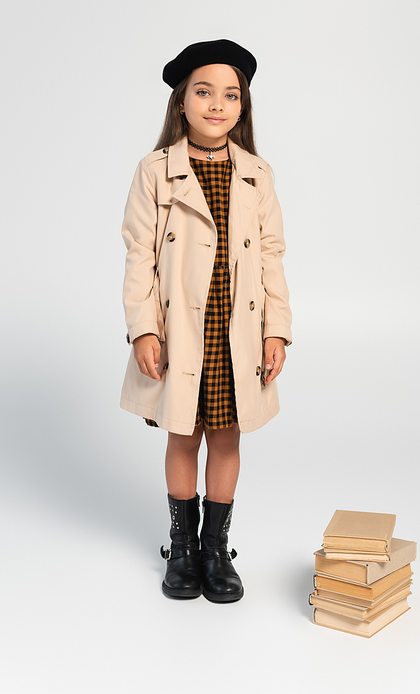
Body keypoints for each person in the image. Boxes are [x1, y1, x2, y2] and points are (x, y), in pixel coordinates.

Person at [120, 39, 292, 603]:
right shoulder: (155, 171)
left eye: (230, 95)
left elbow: (271, 254)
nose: (217, 104)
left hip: (235, 330)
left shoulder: (256, 173)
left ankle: (216, 548)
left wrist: (276, 329)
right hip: (180, 331)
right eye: (204, 91)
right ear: (182, 101)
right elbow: (138, 254)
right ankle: (183, 548)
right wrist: (145, 327)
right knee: (181, 434)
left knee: (226, 434)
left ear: (242, 107)